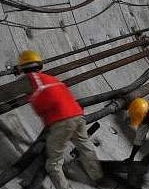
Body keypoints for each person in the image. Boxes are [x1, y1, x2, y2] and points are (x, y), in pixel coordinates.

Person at [1, 50, 104, 189]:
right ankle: (99, 178)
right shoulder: (50, 78)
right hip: (78, 115)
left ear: (23, 66)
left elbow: (5, 93)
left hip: (62, 120)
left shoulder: (31, 79)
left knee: (53, 164)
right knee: (85, 147)